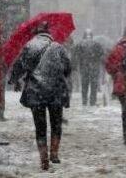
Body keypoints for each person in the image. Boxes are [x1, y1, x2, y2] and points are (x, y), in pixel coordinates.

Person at [8, 22, 72, 171]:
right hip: (56, 91)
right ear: (48, 33)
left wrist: (14, 80)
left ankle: (44, 159)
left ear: (35, 33)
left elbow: (19, 66)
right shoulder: (58, 47)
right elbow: (68, 68)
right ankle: (54, 153)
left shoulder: (29, 46)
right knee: (56, 124)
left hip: (36, 92)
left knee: (40, 127)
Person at [73, 29, 105, 106]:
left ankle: (85, 102)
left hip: (84, 68)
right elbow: (101, 55)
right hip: (93, 68)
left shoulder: (80, 44)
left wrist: (76, 65)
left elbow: (76, 56)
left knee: (85, 86)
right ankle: (92, 102)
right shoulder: (96, 44)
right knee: (93, 86)